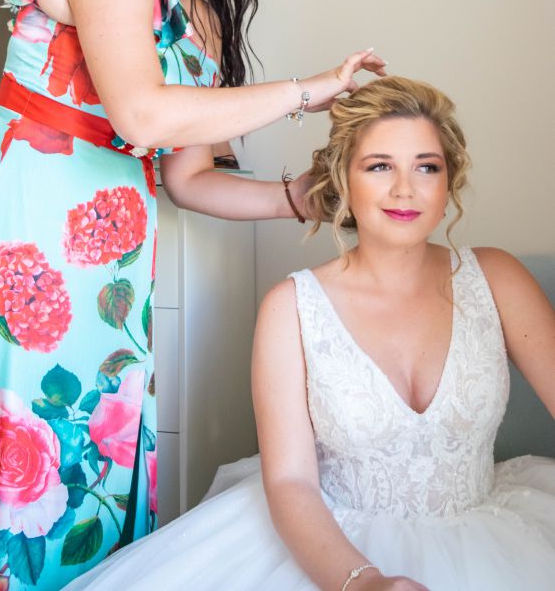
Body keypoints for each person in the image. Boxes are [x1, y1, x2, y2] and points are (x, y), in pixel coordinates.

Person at [0, 0, 387, 591]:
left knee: (90, 442)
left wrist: (299, 199)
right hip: (24, 236)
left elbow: (189, 179)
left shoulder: (204, 18)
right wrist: (305, 90)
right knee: (14, 432)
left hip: (108, 254)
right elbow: (142, 116)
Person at [63, 76, 555, 591]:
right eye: (379, 166)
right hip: (327, 543)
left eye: (426, 167)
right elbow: (291, 481)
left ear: (448, 179)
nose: (405, 189)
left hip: (495, 541)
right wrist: (361, 582)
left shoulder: (497, 279)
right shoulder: (292, 308)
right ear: (343, 178)